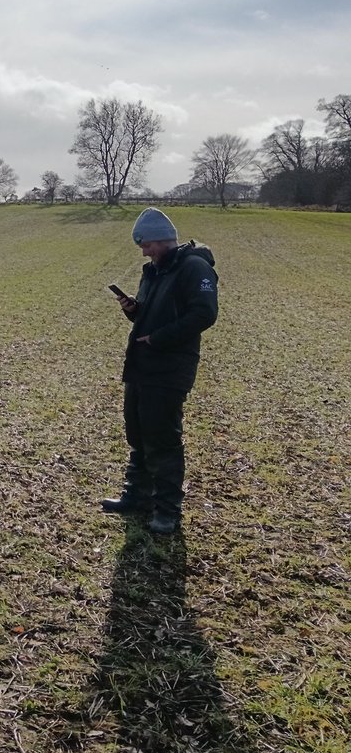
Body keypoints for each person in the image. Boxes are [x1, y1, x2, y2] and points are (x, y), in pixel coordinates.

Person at [103, 207, 218, 534]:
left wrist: (159, 339)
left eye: (147, 245)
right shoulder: (154, 271)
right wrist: (134, 310)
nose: (143, 251)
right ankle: (137, 497)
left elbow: (204, 315)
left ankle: (168, 511)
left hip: (169, 368)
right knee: (138, 433)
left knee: (163, 438)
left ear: (163, 240)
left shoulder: (194, 268)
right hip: (142, 364)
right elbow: (153, 314)